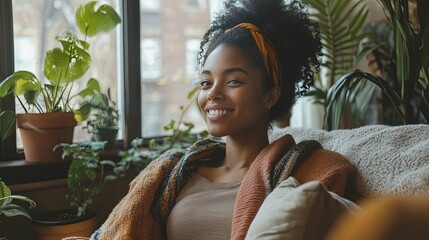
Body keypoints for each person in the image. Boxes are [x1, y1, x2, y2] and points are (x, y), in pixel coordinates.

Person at [87, 0, 355, 239]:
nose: (212, 93)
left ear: (270, 96)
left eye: (233, 81)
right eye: (205, 82)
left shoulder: (306, 170)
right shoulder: (176, 172)